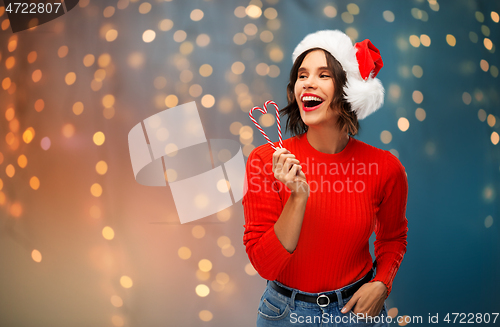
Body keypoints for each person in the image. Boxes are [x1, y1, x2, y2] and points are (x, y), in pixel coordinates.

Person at [242, 30, 409, 327]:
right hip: (285, 314)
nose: (308, 82)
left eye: (323, 75)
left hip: (358, 311)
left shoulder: (385, 167)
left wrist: (382, 284)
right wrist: (297, 196)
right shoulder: (264, 161)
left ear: (348, 90)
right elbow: (265, 265)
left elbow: (393, 237)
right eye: (302, 75)